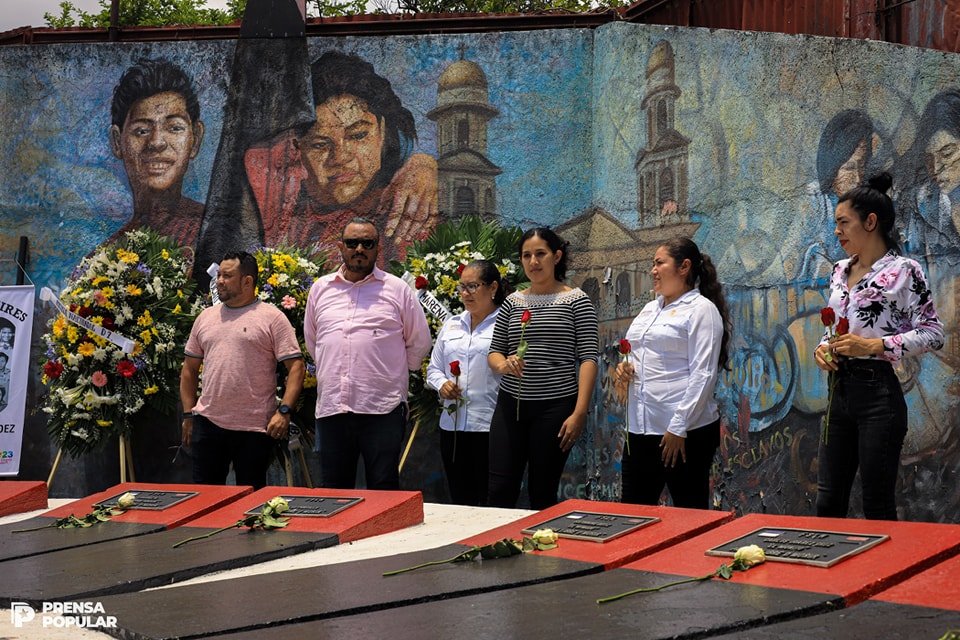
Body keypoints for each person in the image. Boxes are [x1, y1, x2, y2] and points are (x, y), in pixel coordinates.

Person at [814, 172, 944, 520]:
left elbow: (933, 333)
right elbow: (837, 329)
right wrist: (823, 348)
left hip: (878, 397)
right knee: (827, 501)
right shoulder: (839, 270)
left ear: (870, 222)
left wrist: (874, 346)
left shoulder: (905, 270)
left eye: (843, 222)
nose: (836, 231)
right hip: (837, 394)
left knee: (876, 503)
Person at [248, 50, 438, 263]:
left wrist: (424, 165)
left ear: (383, 132)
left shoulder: (406, 213)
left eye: (358, 135)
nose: (339, 157)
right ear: (297, 148)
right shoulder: (279, 210)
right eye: (320, 144)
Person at [304, 217, 431, 489]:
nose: (359, 248)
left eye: (367, 243)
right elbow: (314, 342)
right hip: (333, 409)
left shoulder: (397, 290)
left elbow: (419, 341)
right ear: (341, 247)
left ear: (378, 249)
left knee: (383, 489)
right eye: (352, 243)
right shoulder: (320, 289)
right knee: (334, 491)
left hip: (382, 409)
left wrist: (388, 374)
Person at [614, 237, 731, 509]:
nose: (653, 270)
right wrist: (624, 368)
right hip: (640, 428)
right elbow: (637, 352)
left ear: (684, 267)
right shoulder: (649, 308)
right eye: (652, 264)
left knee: (689, 512)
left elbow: (703, 373)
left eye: (659, 263)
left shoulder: (702, 310)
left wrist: (679, 426)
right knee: (633, 511)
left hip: (682, 432)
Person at [487, 228, 599, 509]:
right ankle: (499, 546)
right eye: (527, 256)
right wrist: (504, 364)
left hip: (555, 408)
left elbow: (588, 358)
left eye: (540, 254)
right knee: (500, 487)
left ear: (556, 256)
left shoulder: (576, 300)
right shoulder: (512, 302)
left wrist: (579, 412)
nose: (533, 262)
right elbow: (494, 352)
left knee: (541, 489)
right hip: (510, 406)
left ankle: (540, 550)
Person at [180, 251, 305, 489]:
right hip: (208, 424)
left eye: (227, 276)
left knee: (250, 501)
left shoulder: (272, 318)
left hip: (254, 427)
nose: (219, 281)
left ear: (247, 281)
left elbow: (296, 367)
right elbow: (189, 369)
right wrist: (188, 414)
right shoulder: (206, 317)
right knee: (204, 500)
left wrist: (284, 411)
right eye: (218, 275)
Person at [426, 260, 506, 506]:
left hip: (490, 426)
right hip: (453, 427)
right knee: (460, 499)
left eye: (472, 286)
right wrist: (443, 385)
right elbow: (433, 369)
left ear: (492, 288)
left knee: (490, 500)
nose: (465, 293)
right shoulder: (452, 325)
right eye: (462, 287)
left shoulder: (505, 323)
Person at [109, 58, 206, 249]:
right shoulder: (105, 262)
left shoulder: (216, 232)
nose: (156, 142)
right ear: (117, 142)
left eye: (174, 128)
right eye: (141, 130)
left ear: (195, 139)